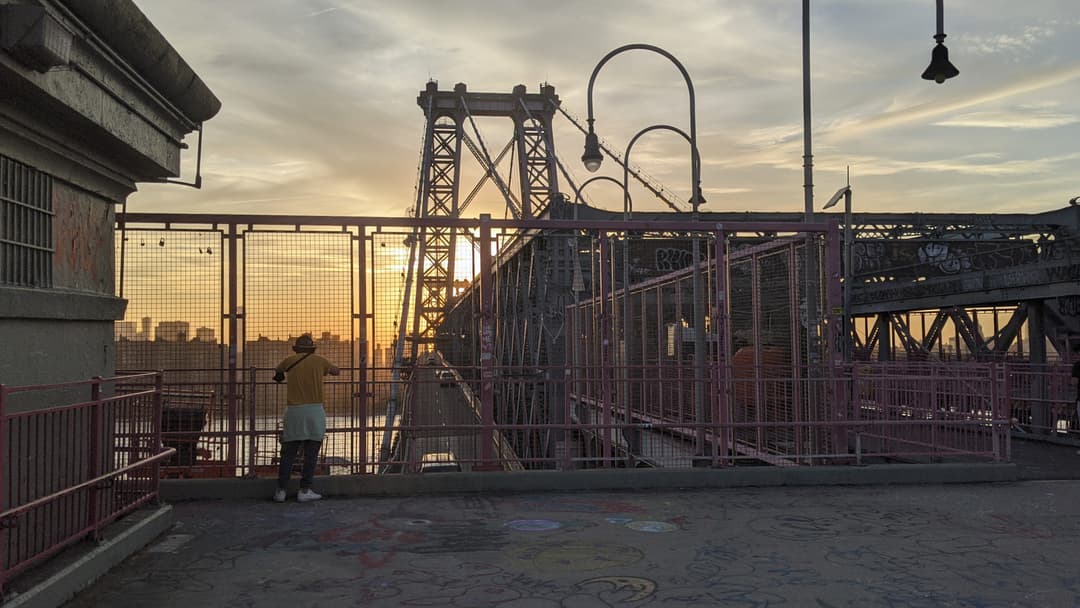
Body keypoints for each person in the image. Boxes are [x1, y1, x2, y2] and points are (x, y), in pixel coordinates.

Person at [273, 333, 339, 503]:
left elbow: (279, 370)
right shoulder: (320, 361)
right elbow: (336, 371)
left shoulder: (289, 360)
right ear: (312, 349)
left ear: (296, 349)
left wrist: (281, 374)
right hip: (314, 411)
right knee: (311, 454)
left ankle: (281, 491)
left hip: (293, 412)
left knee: (288, 453)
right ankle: (304, 490)